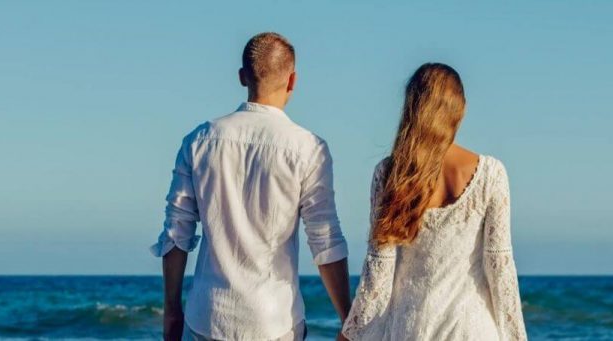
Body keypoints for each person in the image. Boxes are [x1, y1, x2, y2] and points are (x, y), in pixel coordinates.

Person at [150, 32, 353, 341]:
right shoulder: (309, 148)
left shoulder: (198, 141)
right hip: (274, 322)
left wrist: (172, 312)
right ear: (292, 80)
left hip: (207, 317)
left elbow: (176, 233)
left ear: (242, 76)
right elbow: (325, 239)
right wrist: (347, 319)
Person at [340, 63, 527, 340]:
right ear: (460, 111)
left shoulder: (389, 174)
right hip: (472, 330)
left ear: (411, 109)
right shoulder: (491, 174)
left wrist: (349, 334)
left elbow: (377, 277)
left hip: (411, 329)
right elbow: (500, 270)